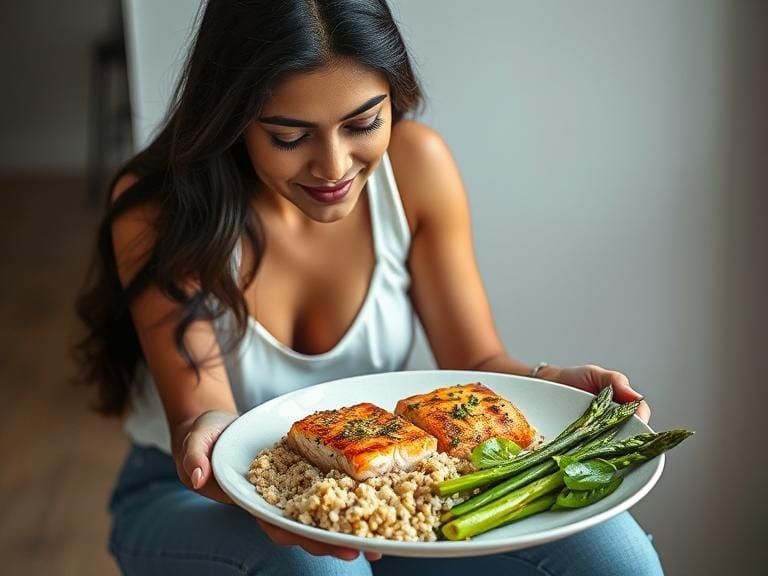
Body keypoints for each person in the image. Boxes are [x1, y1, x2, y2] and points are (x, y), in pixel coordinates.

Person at [75, 1, 662, 574]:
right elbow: (206, 415)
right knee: (320, 569)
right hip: (191, 498)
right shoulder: (159, 212)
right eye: (288, 136)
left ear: (393, 98)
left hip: (394, 491)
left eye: (362, 124)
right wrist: (209, 439)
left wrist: (550, 381)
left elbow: (475, 362)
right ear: (232, 119)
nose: (333, 166)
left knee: (617, 554)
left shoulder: (418, 169)